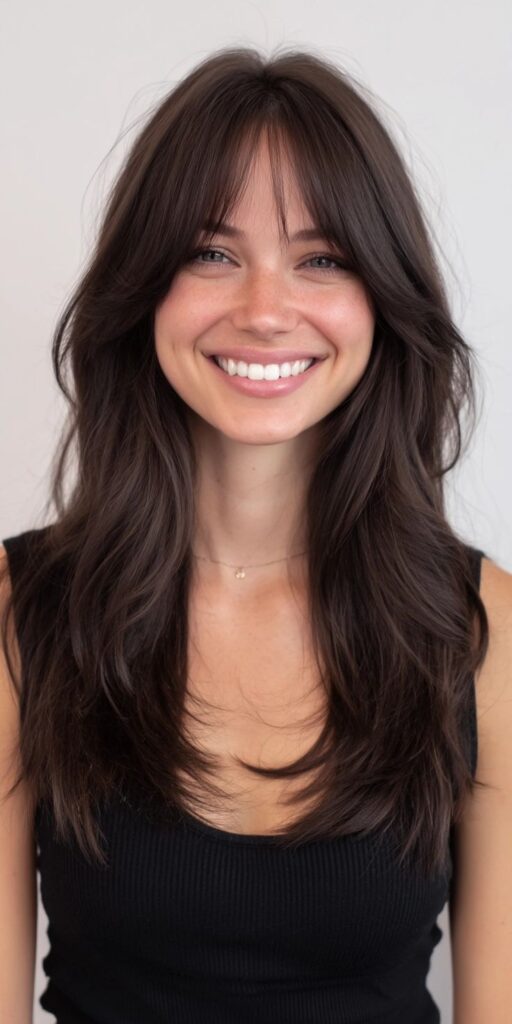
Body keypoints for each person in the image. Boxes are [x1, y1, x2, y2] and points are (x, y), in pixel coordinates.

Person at [1, 45, 511, 1024]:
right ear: (145, 285)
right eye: (212, 253)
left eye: (321, 258)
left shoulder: (483, 634)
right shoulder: (19, 618)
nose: (265, 310)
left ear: (382, 297)